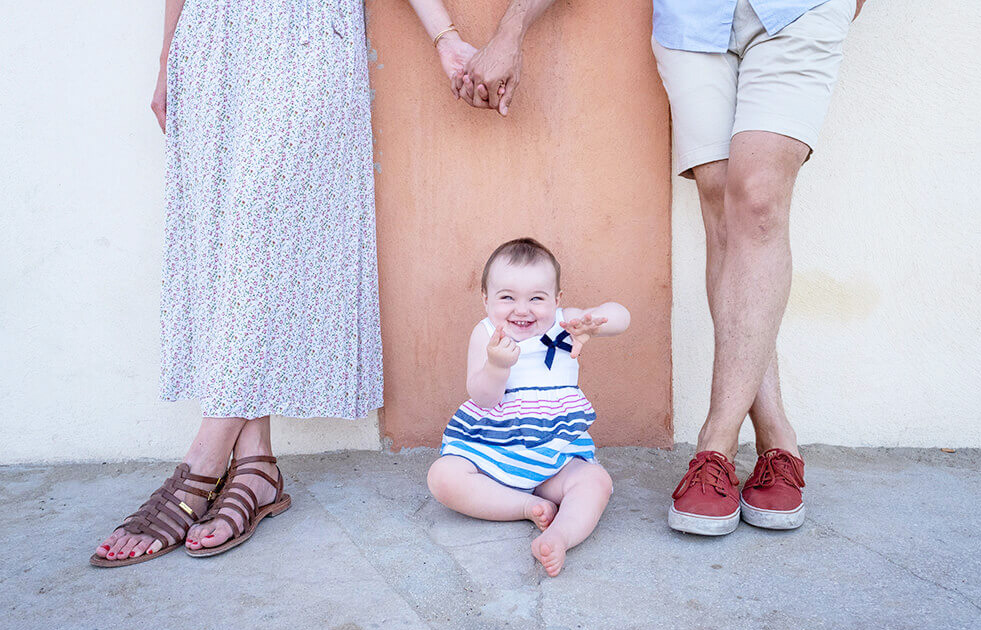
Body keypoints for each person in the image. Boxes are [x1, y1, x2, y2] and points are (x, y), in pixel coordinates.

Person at [92, 0, 479, 566]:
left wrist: (444, 36)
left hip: (306, 37)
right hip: (212, 35)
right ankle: (255, 465)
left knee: (261, 225)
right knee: (226, 246)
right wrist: (166, 57)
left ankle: (204, 458)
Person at [653, 0, 865, 535]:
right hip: (690, 18)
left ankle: (714, 448)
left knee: (759, 200)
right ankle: (777, 440)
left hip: (799, 10)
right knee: (721, 207)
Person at [427, 238, 629, 576]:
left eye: (537, 298)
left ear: (557, 300)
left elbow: (622, 317)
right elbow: (483, 397)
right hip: (492, 454)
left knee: (596, 481)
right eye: (507, 297)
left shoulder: (565, 324)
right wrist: (496, 366)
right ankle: (525, 505)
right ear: (485, 299)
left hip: (554, 458)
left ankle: (560, 536)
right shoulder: (486, 333)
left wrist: (594, 321)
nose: (522, 309)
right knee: (443, 477)